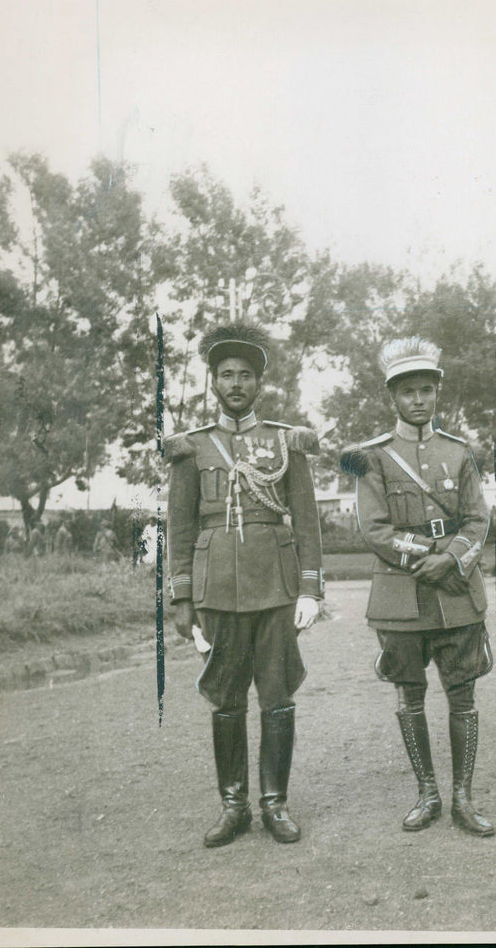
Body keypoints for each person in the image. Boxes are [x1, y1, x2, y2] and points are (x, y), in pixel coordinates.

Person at [165, 322, 323, 848]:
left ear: (260, 383)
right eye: (227, 374)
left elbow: (307, 520)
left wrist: (309, 588)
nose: (236, 384)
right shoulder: (191, 448)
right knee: (227, 699)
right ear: (213, 382)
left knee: (277, 697)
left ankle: (275, 804)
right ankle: (233, 806)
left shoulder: (285, 441)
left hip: (275, 586)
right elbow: (179, 528)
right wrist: (182, 597)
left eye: (246, 375)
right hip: (217, 589)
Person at [340, 336, 494, 837]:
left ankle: (463, 798)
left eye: (427, 390)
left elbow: (478, 519)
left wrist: (450, 557)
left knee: (463, 696)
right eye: (408, 392)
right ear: (393, 397)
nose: (419, 399)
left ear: (437, 393)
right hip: (401, 595)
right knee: (410, 696)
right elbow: (374, 528)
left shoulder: (459, 453)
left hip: (455, 592)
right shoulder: (373, 458)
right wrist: (425, 554)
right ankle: (427, 793)